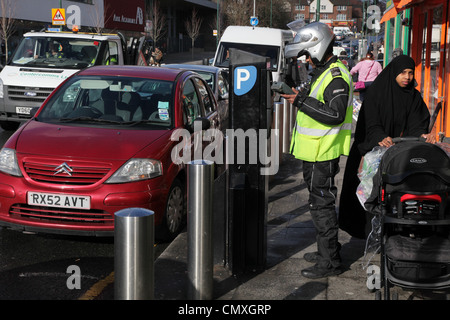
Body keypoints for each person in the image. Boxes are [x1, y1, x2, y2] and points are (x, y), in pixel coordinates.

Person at [281, 21, 353, 279]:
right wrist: (298, 95)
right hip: (315, 153)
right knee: (318, 204)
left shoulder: (335, 76)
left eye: (309, 55)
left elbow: (335, 113)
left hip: (322, 154)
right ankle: (327, 251)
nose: (308, 61)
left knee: (322, 206)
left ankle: (330, 262)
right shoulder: (323, 73)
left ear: (320, 48)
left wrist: (300, 100)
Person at [339, 55, 436, 239]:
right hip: (372, 150)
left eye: (410, 73)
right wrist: (380, 137)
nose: (407, 77)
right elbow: (371, 121)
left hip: (400, 153)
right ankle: (366, 231)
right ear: (393, 73)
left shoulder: (413, 96)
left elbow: (418, 122)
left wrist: (420, 135)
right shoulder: (377, 92)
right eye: (402, 73)